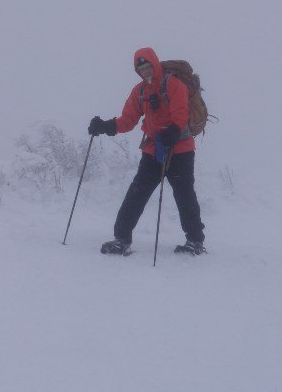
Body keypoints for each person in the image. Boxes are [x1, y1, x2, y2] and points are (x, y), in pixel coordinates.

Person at [88, 47, 207, 256]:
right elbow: (127, 120)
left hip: (180, 149)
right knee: (137, 193)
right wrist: (105, 126)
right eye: (141, 69)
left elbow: (180, 115)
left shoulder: (174, 84)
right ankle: (121, 239)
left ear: (155, 64)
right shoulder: (140, 91)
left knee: (184, 195)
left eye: (148, 66)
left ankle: (195, 241)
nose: (145, 71)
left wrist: (174, 130)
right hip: (154, 150)